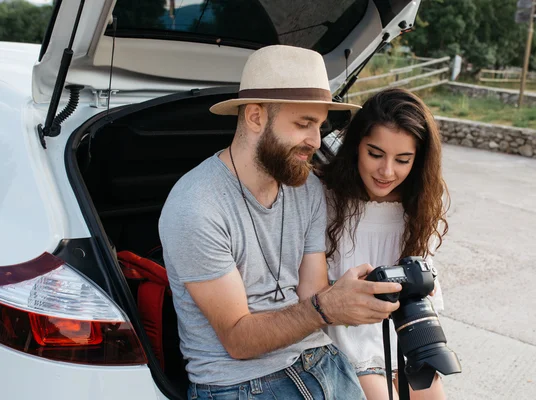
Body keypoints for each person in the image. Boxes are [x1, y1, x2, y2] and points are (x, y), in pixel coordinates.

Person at [158, 45, 404, 400]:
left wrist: (354, 295)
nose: (316, 141)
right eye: (303, 124)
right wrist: (326, 307)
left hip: (320, 361)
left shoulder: (307, 189)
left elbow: (313, 294)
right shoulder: (195, 206)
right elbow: (239, 340)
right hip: (240, 383)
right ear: (256, 117)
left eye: (319, 126)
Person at [319, 88, 449, 400]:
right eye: (375, 154)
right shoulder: (324, 197)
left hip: (403, 332)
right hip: (346, 337)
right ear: (355, 147)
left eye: (403, 159)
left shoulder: (419, 202)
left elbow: (425, 275)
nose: (387, 172)